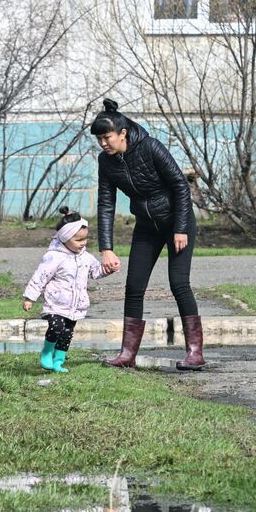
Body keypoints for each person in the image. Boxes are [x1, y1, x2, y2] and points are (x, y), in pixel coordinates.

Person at [90, 98, 205, 370]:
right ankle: (127, 355)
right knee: (134, 287)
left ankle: (195, 353)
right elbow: (106, 203)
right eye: (99, 140)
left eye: (107, 138)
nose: (103, 144)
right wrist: (106, 248)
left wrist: (180, 228)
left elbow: (180, 186)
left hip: (178, 221)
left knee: (179, 283)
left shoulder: (151, 147)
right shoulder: (106, 162)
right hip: (146, 226)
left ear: (123, 133)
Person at [21, 207, 115, 372]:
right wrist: (30, 298)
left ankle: (59, 361)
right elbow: (40, 277)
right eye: (78, 240)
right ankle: (46, 353)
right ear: (64, 238)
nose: (83, 243)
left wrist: (108, 269)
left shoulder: (86, 257)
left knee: (66, 334)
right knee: (56, 327)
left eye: (85, 239)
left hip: (74, 306)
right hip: (55, 304)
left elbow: (95, 272)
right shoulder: (54, 256)